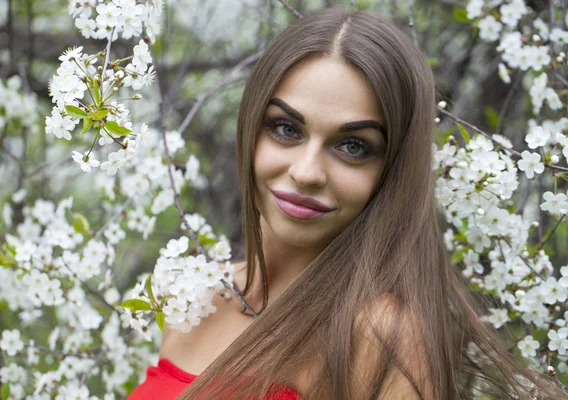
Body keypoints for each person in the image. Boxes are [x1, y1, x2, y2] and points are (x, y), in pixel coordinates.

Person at [129, 7, 568, 400]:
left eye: (354, 146)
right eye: (285, 128)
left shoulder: (381, 338)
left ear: (392, 169)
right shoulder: (192, 294)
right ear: (250, 127)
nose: (306, 171)